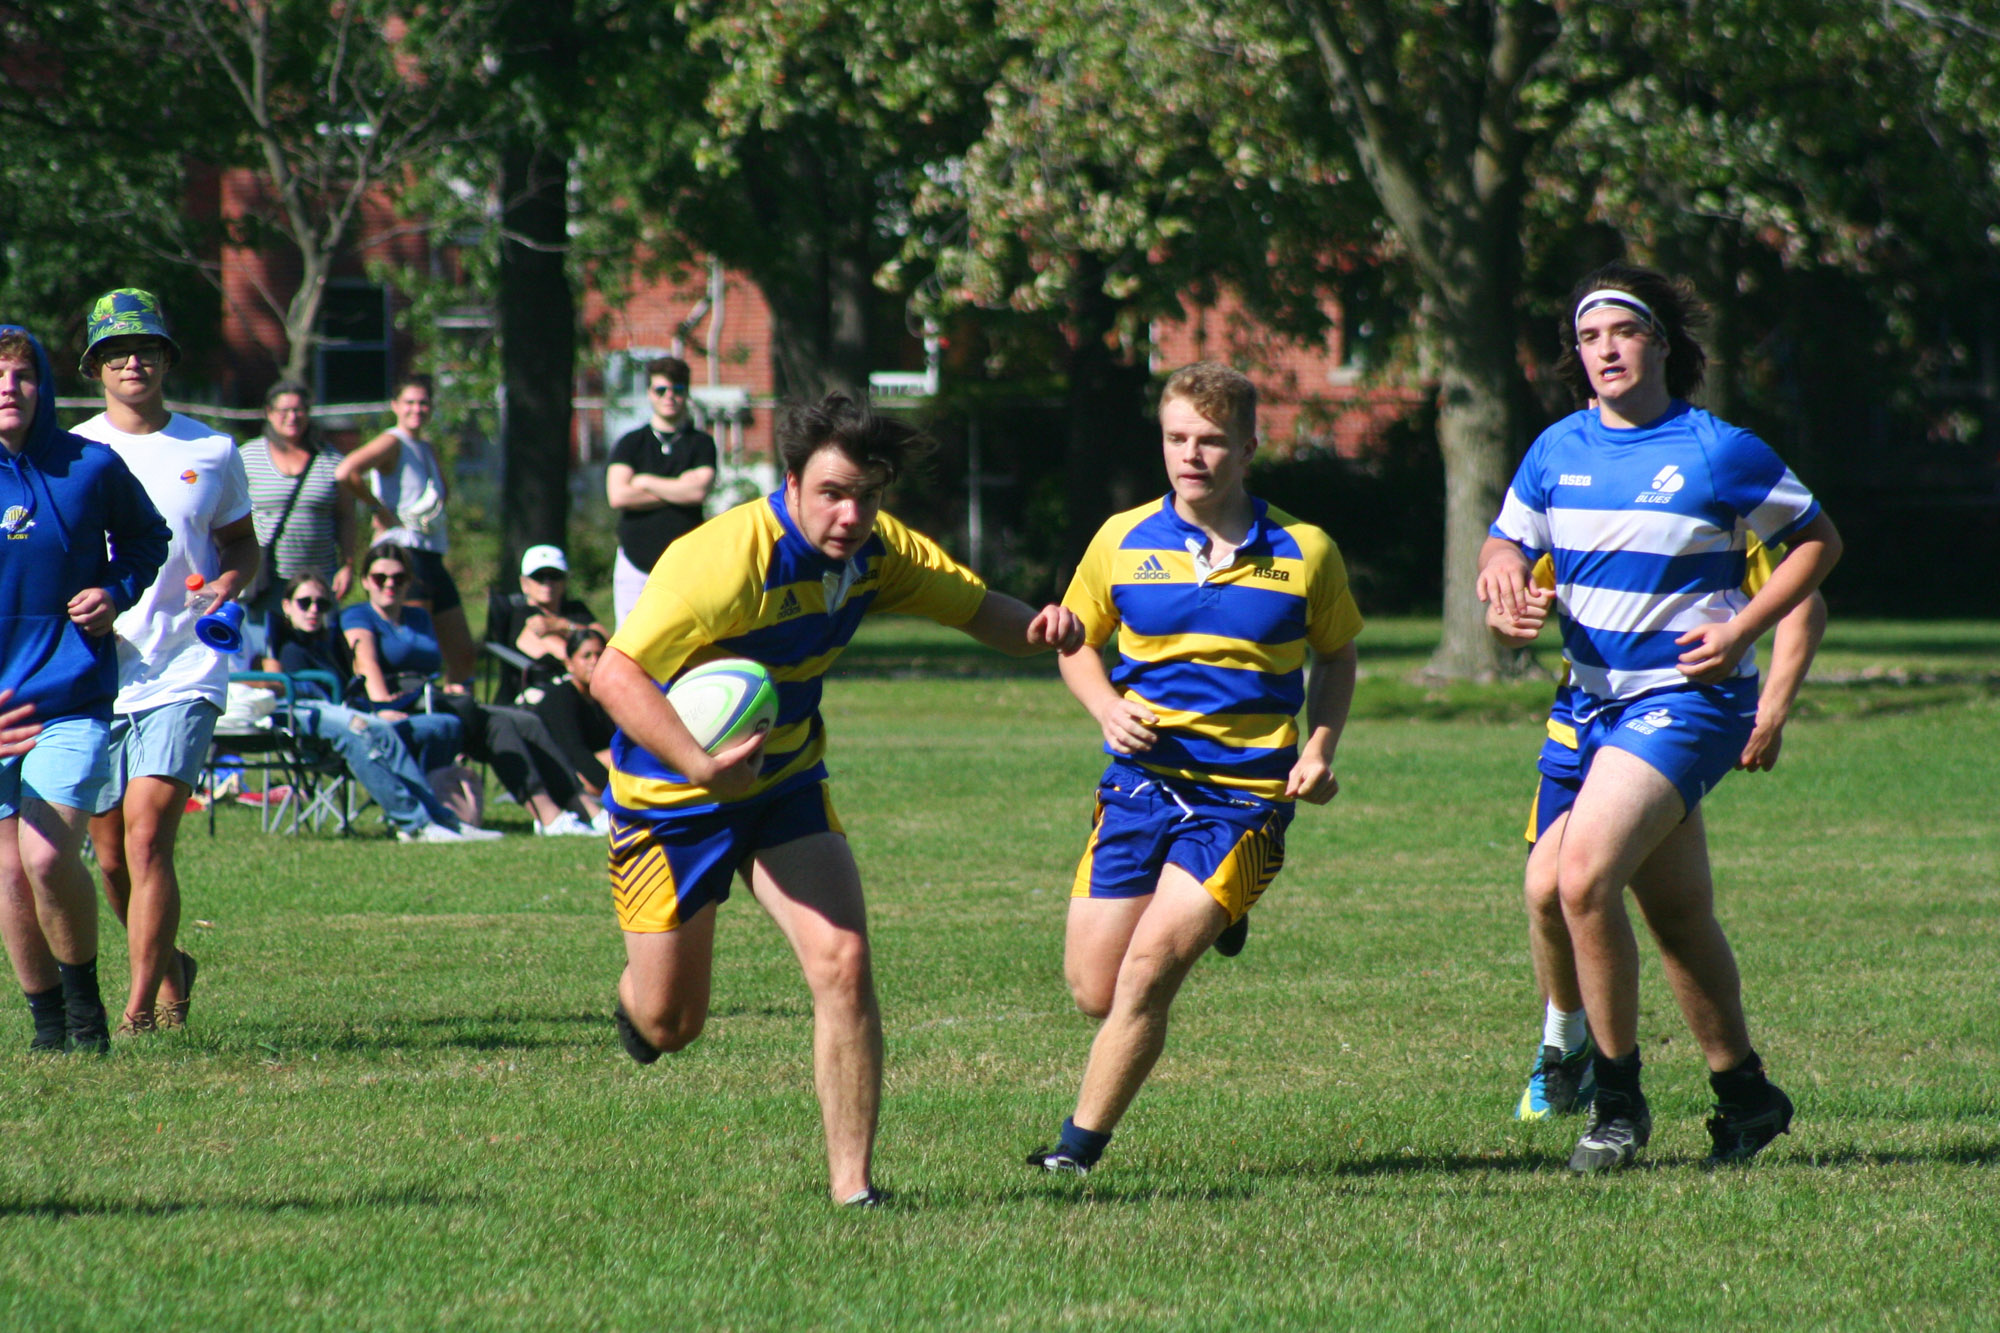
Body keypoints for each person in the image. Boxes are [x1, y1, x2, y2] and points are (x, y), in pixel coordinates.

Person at [595, 391, 1082, 1206]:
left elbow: (978, 610)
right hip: (670, 795)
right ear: (790, 483)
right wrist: (703, 767)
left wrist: (1045, 629)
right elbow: (613, 673)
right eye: (832, 493)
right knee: (671, 1024)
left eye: (868, 494)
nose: (852, 513)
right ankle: (636, 1001)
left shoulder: (878, 551)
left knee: (844, 962)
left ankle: (854, 1190)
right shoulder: (723, 560)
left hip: (784, 783)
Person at [1478, 263, 1841, 1173]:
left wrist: (1744, 631)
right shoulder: (1556, 449)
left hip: (1690, 698)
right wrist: (1499, 582)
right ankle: (1748, 1098)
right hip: (1587, 702)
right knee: (1676, 914)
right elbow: (1507, 540)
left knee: (1581, 879)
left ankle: (1617, 1101)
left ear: (1662, 346)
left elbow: (1818, 543)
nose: (1605, 349)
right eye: (1589, 336)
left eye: (1623, 332)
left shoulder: (1718, 448)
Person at [1024, 361, 1362, 1177]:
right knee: (1094, 990)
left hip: (1244, 797)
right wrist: (1106, 707)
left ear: (1249, 446)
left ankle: (1074, 1155)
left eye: (1211, 441)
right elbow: (1078, 643)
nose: (1192, 456)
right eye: (1178, 438)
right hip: (1139, 786)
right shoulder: (1121, 539)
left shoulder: (1304, 550)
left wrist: (1319, 748)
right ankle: (1220, 912)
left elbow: (1339, 655)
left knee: (1147, 972)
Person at [1499, 544, 1827, 1122]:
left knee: (1564, 884)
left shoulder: (1711, 506)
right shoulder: (1572, 496)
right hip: (1580, 721)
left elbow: (1805, 601)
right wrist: (1508, 612)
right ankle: (1730, 1087)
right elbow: (1513, 592)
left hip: (1669, 720)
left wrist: (1771, 710)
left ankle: (1610, 1087)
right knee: (1653, 905)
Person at [72, 290, 258, 1037]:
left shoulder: (212, 450)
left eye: (146, 347)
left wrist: (227, 583)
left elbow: (241, 543)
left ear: (167, 358)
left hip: (185, 665)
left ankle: (141, 1007)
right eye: (117, 351)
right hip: (99, 667)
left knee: (150, 834)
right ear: (95, 367)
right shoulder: (74, 453)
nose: (133, 360)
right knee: (111, 857)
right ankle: (173, 963)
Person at [0, 324, 169, 1053]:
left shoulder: (91, 467)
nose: (8, 388)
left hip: (68, 694)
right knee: (8, 874)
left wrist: (114, 588)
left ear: (45, 387)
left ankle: (87, 1015)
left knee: (44, 854)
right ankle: (48, 1030)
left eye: (22, 375)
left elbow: (147, 538)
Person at [342, 542, 599, 836]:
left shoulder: (418, 617)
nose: (390, 584)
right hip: (394, 707)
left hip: (430, 700)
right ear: (365, 581)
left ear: (409, 581)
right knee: (499, 725)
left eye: (399, 578)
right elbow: (366, 662)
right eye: (380, 578)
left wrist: (449, 687)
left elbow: (429, 670)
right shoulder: (358, 616)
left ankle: (584, 808)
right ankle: (549, 817)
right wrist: (383, 705)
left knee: (527, 722)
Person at [262, 575, 498, 844]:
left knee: (432, 725)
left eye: (322, 604)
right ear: (287, 605)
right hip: (303, 716)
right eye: (305, 603)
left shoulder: (329, 644)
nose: (314, 610)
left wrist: (378, 709)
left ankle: (440, 818)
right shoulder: (276, 640)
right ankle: (414, 824)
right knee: (362, 732)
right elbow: (272, 683)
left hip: (345, 711)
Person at [335, 374, 476, 682]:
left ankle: (458, 712)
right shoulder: (392, 441)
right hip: (403, 554)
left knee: (463, 653)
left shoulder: (425, 446)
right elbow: (347, 471)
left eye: (423, 402)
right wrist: (378, 509)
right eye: (409, 402)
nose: (417, 409)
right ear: (395, 405)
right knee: (413, 648)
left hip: (431, 554)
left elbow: (441, 494)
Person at [240, 380, 354, 651]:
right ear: (269, 412)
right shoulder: (246, 456)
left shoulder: (330, 460)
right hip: (266, 578)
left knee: (317, 650)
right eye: (284, 410)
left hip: (318, 579)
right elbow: (229, 515)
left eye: (299, 410)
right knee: (267, 651)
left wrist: (348, 565)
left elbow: (346, 516)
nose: (292, 417)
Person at [605, 356, 716, 625]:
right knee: (631, 639)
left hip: (686, 562)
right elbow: (618, 495)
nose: (669, 397)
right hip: (634, 561)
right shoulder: (630, 443)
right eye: (661, 390)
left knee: (684, 636)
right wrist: (678, 487)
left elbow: (697, 493)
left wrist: (643, 481)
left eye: (677, 390)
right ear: (649, 393)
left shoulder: (701, 444)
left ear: (686, 393)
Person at [486, 544, 608, 701]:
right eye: (539, 577)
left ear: (565, 581)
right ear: (524, 583)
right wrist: (584, 639)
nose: (547, 583)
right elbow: (563, 653)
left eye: (554, 576)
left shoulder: (576, 609)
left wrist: (561, 625)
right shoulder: (521, 614)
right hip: (539, 695)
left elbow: (607, 641)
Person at [533, 627, 615, 801]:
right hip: (565, 773)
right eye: (586, 656)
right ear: (569, 663)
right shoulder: (560, 698)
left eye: (599, 655)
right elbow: (574, 752)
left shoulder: (604, 696)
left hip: (594, 768)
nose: (594, 661)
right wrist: (613, 790)